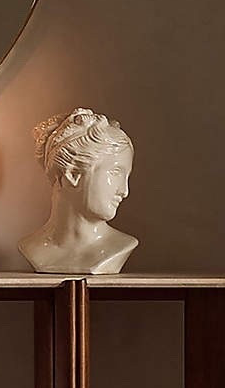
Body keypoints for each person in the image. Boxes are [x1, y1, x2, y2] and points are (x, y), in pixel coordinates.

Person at [18, 108, 137, 274]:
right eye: (115, 172)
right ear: (72, 174)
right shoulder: (30, 247)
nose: (124, 191)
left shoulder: (121, 246)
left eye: (127, 176)